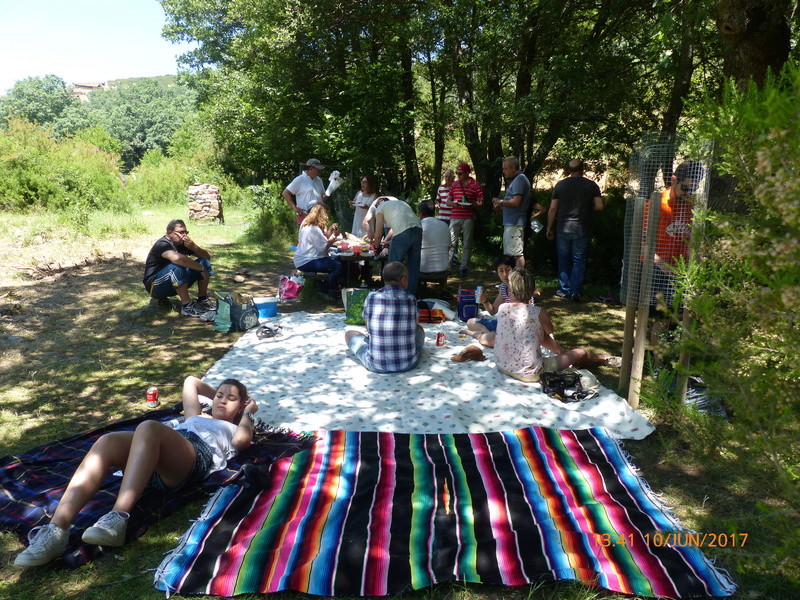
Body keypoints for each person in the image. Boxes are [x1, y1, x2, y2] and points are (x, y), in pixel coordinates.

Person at [13, 376, 257, 568]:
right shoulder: (195, 415)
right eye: (219, 396)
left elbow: (242, 442)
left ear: (241, 405)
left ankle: (117, 518)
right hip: (150, 454)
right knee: (107, 441)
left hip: (191, 457)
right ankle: (55, 531)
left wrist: (247, 411)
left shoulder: (231, 428)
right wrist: (221, 394)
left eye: (231, 399)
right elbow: (191, 381)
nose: (222, 401)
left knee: (149, 427)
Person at [494, 268, 617, 382]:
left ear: (511, 291)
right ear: (531, 291)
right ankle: (599, 358)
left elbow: (541, 337)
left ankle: (565, 353)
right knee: (581, 352)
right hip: (530, 373)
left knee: (536, 333)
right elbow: (549, 331)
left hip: (503, 366)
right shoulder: (538, 312)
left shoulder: (502, 308)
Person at [645, 160, 705, 344]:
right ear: (673, 180)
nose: (689, 194)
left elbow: (695, 240)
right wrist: (666, 269)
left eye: (693, 189)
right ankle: (656, 362)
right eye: (685, 188)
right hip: (658, 268)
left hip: (683, 270)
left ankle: (666, 355)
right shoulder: (657, 204)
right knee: (662, 317)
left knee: (683, 316)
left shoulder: (693, 205)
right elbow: (644, 243)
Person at [344, 262, 425, 374]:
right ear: (403, 279)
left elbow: (368, 328)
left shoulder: (371, 297)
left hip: (376, 365)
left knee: (349, 333)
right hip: (408, 363)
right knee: (420, 330)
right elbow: (415, 326)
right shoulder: (411, 299)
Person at [546, 158, 605, 300]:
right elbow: (600, 206)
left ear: (569, 170)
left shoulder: (560, 185)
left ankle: (564, 289)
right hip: (582, 228)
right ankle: (575, 291)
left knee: (563, 259)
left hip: (563, 228)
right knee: (579, 259)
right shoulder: (591, 185)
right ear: (582, 169)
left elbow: (553, 207)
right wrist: (587, 206)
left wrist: (549, 227)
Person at [142, 219, 214, 317]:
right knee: (178, 265)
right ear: (170, 233)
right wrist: (200, 268)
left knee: (204, 262)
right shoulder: (162, 244)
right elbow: (177, 258)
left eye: (186, 232)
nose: (184, 235)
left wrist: (194, 247)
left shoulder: (182, 243)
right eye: (180, 232)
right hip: (155, 285)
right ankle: (187, 306)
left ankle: (202, 300)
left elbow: (207, 257)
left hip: (173, 282)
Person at [492, 156, 539, 269]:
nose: (504, 171)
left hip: (515, 222)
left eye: (505, 169)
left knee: (516, 254)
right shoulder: (515, 180)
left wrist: (501, 201)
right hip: (511, 222)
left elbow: (517, 202)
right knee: (511, 253)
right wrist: (501, 206)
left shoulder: (520, 179)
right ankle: (512, 280)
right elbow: (512, 203)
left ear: (513, 168)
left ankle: (517, 281)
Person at [462, 255, 517, 347]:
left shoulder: (520, 287)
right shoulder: (503, 287)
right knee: (471, 322)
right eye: (501, 270)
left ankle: (480, 336)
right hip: (502, 325)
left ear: (513, 270)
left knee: (493, 340)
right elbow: (492, 311)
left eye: (508, 270)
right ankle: (488, 334)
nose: (505, 274)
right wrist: (485, 301)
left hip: (516, 329)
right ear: (497, 272)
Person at [372, 197, 423, 296]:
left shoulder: (379, 209)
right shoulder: (400, 203)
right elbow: (401, 225)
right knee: (413, 267)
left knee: (392, 267)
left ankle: (391, 295)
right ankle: (411, 297)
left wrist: (376, 247)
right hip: (418, 229)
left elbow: (378, 234)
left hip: (402, 232)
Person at [293, 203, 343, 297]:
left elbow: (320, 244)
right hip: (307, 261)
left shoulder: (306, 226)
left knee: (337, 259)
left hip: (302, 259)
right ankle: (325, 289)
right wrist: (332, 239)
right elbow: (323, 248)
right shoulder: (314, 229)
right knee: (338, 266)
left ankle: (332, 285)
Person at [447, 162, 483, 277]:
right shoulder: (454, 185)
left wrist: (470, 204)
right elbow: (448, 201)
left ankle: (463, 268)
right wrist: (454, 204)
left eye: (461, 173)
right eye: (457, 173)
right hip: (455, 217)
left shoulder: (475, 185)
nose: (458, 175)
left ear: (467, 173)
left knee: (467, 243)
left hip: (468, 217)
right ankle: (447, 267)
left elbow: (480, 202)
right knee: (451, 242)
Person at [282, 158, 329, 225]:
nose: (319, 171)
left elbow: (323, 197)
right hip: (305, 216)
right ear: (310, 169)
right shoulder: (300, 179)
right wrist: (295, 208)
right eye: (318, 169)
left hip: (319, 216)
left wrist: (331, 189)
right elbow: (285, 193)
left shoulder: (319, 180)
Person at [418, 200, 450, 277]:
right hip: (443, 269)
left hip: (423, 269)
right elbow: (448, 247)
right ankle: (443, 287)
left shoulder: (418, 225)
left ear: (421, 214)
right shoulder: (444, 225)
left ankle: (414, 287)